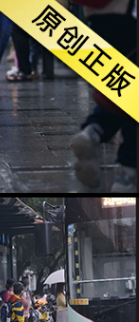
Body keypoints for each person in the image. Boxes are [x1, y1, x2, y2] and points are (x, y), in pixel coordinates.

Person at [71, 0, 137, 192]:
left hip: (96, 17)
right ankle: (128, 172)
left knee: (122, 90)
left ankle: (94, 130)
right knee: (134, 98)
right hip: (128, 14)